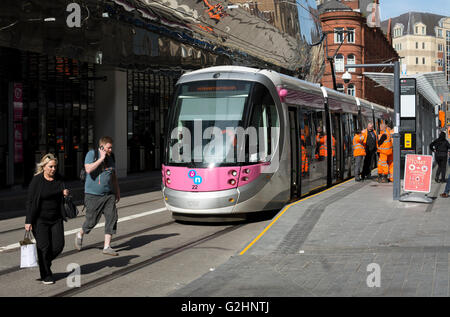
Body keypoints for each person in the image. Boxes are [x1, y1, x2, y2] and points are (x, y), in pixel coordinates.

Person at [25, 153, 69, 285]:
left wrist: (65, 194)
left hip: (56, 218)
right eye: (50, 167)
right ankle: (45, 274)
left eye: (55, 167)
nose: (53, 169)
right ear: (44, 167)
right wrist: (28, 220)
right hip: (40, 220)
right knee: (43, 247)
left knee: (58, 246)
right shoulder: (37, 180)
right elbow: (30, 201)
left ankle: (45, 261)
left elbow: (63, 192)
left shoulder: (59, 179)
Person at [75, 136, 121, 256]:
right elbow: (88, 169)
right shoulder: (91, 154)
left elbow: (113, 176)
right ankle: (80, 233)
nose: (111, 149)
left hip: (108, 195)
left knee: (112, 218)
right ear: (101, 147)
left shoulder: (112, 157)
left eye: (111, 147)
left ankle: (107, 246)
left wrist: (117, 191)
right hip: (92, 195)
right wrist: (101, 159)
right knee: (92, 221)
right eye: (108, 147)